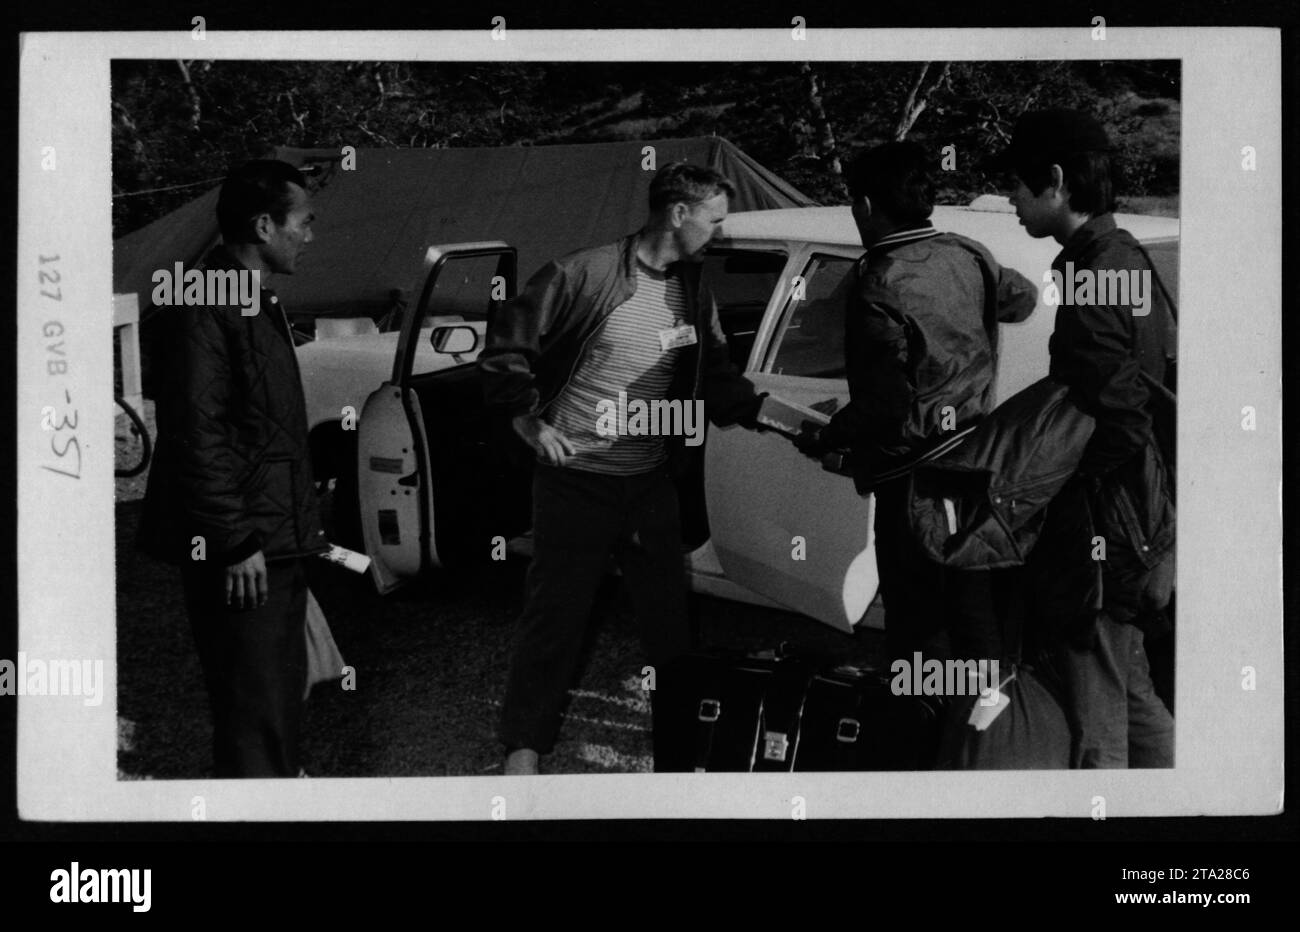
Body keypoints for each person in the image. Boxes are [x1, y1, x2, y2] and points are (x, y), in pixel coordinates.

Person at [478, 162, 763, 775]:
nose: (721, 232)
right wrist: (529, 422)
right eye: (715, 219)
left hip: (650, 482)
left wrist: (771, 414)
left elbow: (713, 371)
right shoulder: (581, 273)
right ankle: (523, 749)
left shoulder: (693, 288)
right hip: (576, 480)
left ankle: (681, 748)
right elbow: (505, 352)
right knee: (556, 619)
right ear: (678, 214)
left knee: (669, 624)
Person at [994, 109, 1177, 767]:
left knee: (1095, 698)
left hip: (1107, 520)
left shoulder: (1096, 269)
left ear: (1055, 180)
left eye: (1018, 184)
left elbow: (1122, 412)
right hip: (1137, 517)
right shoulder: (1122, 255)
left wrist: (1055, 478)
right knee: (1126, 680)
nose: (1012, 200)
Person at [137, 159, 328, 777]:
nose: (310, 235)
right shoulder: (206, 304)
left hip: (273, 539)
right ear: (266, 224)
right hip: (245, 547)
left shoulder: (248, 299)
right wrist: (233, 540)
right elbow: (197, 434)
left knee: (278, 703)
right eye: (304, 222)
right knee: (254, 713)